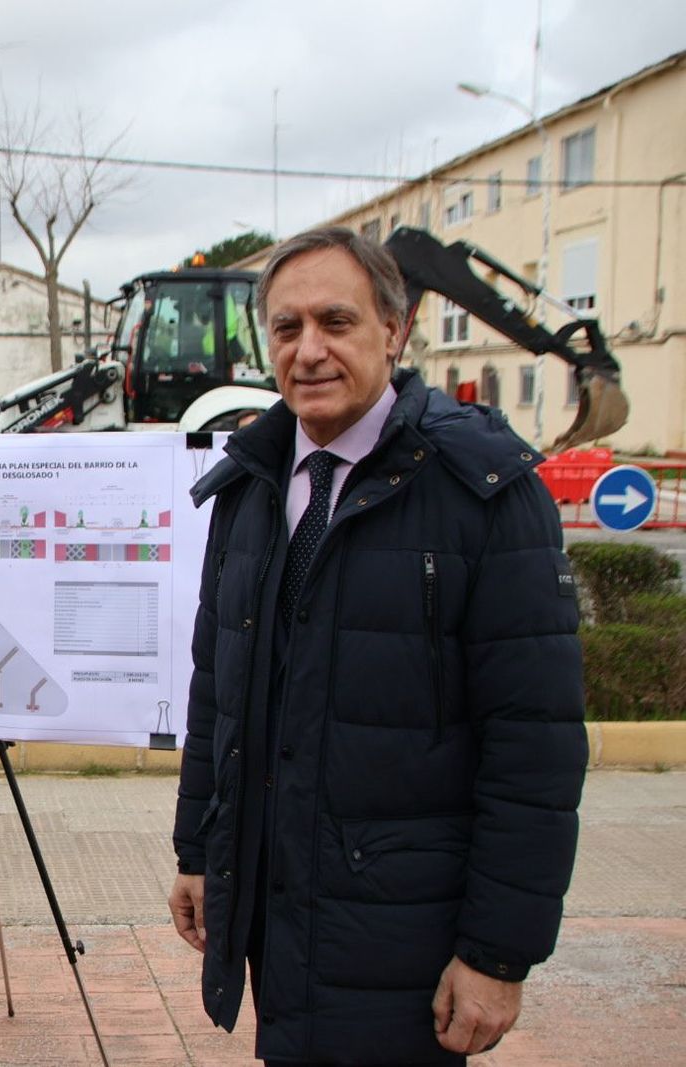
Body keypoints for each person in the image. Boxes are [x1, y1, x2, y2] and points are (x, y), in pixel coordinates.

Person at [168, 227, 586, 1066]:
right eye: (287, 329)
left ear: (394, 332)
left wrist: (497, 953)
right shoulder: (248, 488)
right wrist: (198, 852)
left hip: (406, 932)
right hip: (277, 911)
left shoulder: (487, 496)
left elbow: (533, 748)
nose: (310, 350)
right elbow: (217, 689)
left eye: (336, 321)